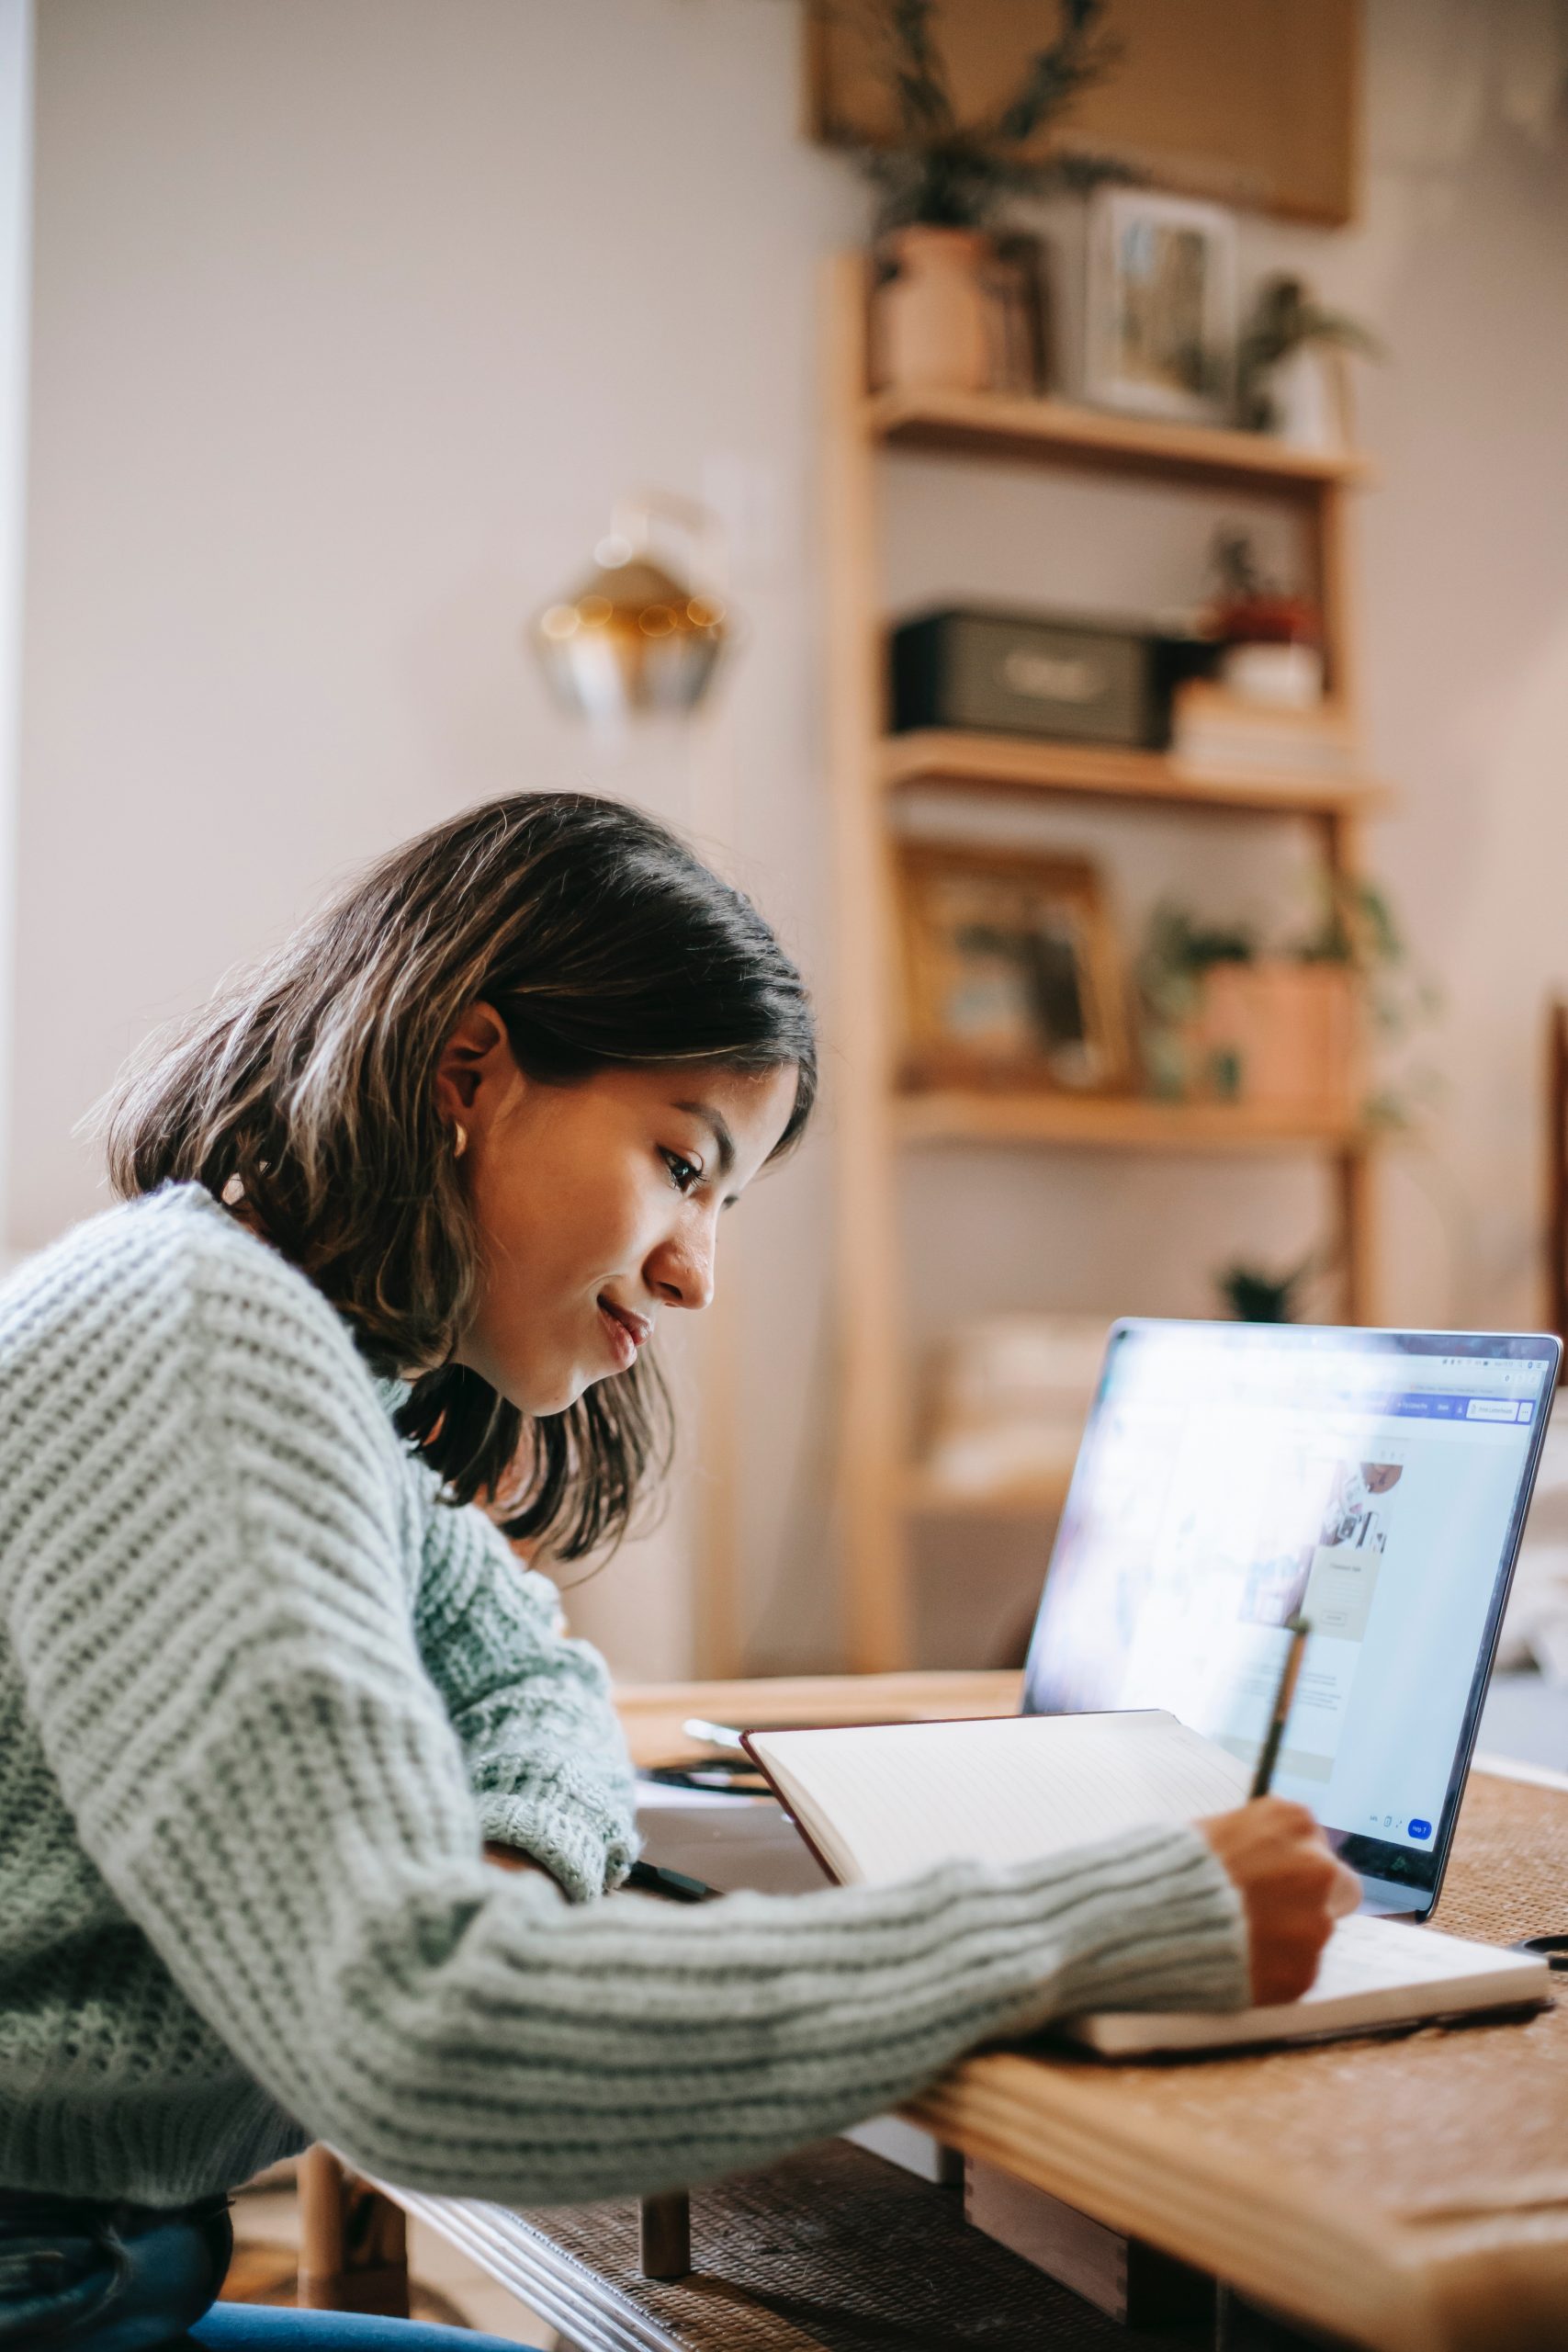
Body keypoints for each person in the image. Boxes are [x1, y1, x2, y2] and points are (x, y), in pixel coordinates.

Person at [0, 793, 1359, 2349]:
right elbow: (428, 2054)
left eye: (724, 1202)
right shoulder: (200, 1345)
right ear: (470, 1069)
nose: (696, 1270)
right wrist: (1098, 1915)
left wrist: (505, 1868)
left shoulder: (302, 1373)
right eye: (679, 1162)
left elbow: (529, 1671)